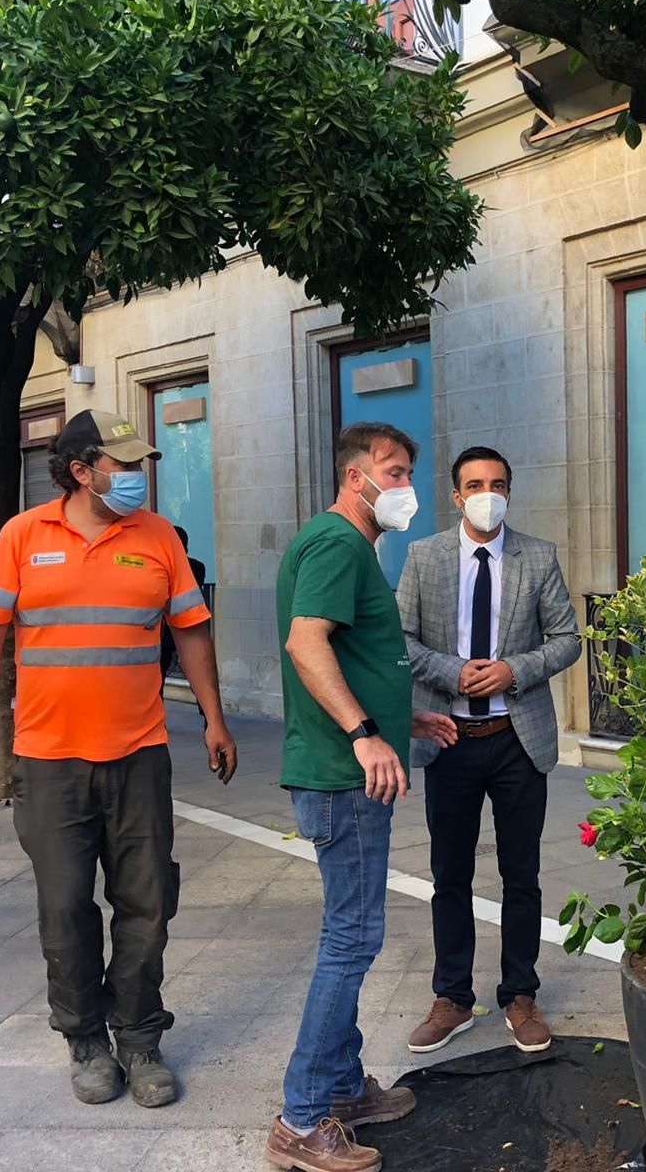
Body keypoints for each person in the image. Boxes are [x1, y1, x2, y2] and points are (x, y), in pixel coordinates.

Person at [0, 409, 238, 1110]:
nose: (136, 476)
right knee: (65, 906)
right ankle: (84, 1040)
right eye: (123, 464)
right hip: (48, 763)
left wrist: (214, 719)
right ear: (82, 470)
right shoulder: (22, 537)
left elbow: (192, 633)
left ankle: (139, 1039)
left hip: (139, 755)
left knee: (146, 904)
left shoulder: (159, 537)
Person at [264, 421, 458, 1172]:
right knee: (351, 940)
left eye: (410, 471)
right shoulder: (338, 544)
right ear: (357, 477)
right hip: (342, 778)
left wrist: (396, 718)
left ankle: (342, 1087)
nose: (406, 485)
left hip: (347, 767)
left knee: (354, 935)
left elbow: (342, 655)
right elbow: (305, 644)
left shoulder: (348, 547)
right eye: (395, 470)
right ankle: (303, 1116)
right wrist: (364, 735)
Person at [397, 446, 580, 1055]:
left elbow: (565, 640)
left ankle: (520, 994)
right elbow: (401, 639)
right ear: (455, 495)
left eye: (498, 483)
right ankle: (451, 997)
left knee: (520, 874)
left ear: (510, 491)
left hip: (515, 740)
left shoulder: (539, 556)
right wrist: (451, 672)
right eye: (475, 484)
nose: (487, 493)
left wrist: (513, 671)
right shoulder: (423, 557)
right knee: (449, 874)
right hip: (449, 739)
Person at [160, 525, 209, 688]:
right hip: (190, 626)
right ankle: (206, 711)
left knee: (161, 670)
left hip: (173, 626)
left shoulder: (178, 567)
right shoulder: (198, 566)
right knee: (199, 674)